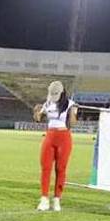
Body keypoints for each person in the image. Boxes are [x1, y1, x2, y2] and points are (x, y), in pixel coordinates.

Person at [33, 80, 77, 211]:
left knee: (60, 169)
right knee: (45, 168)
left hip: (64, 137)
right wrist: (37, 112)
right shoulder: (48, 103)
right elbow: (38, 119)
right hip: (50, 137)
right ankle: (44, 198)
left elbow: (73, 124)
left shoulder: (70, 104)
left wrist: (73, 113)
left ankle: (57, 199)